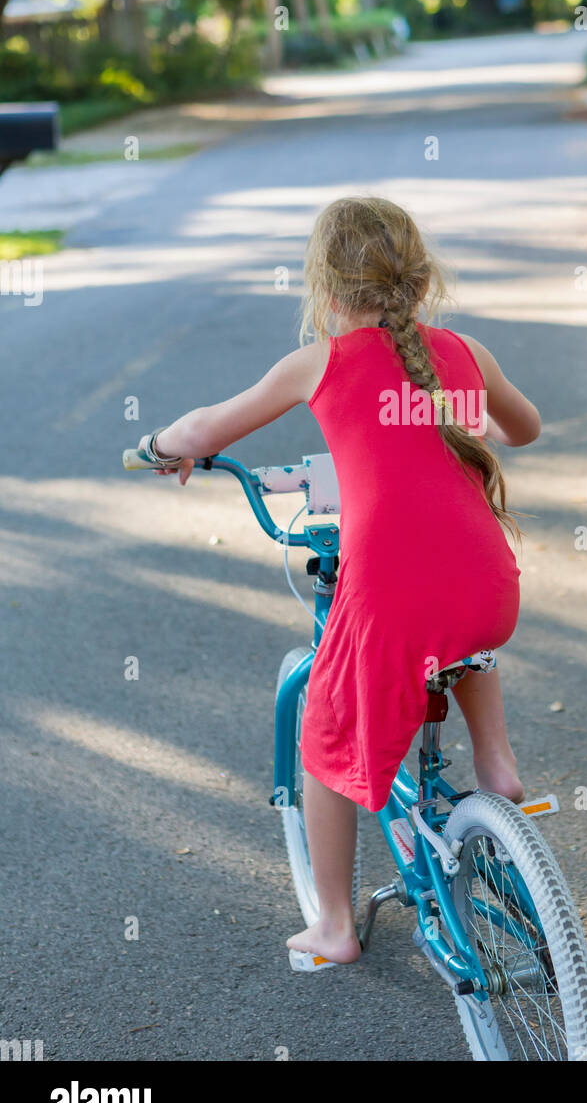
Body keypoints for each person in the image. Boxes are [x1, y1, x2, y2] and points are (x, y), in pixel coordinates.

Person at [142, 196, 541, 967]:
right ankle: (496, 763)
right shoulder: (465, 352)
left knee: (323, 742)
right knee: (456, 628)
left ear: (323, 289)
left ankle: (333, 925)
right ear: (421, 283)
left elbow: (203, 431)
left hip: (392, 597)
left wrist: (160, 444)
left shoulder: (317, 362)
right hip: (491, 585)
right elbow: (523, 427)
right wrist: (477, 418)